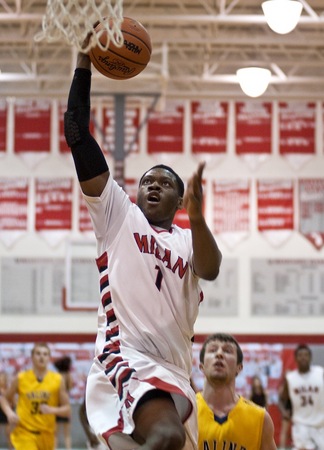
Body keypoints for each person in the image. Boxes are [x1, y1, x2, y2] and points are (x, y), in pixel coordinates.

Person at [63, 41, 222, 450]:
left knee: (168, 442)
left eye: (165, 182)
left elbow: (211, 269)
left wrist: (200, 219)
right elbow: (77, 131)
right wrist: (84, 61)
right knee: (166, 436)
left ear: (180, 199)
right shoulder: (119, 215)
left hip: (176, 369)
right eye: (147, 181)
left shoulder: (189, 239)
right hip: (126, 354)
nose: (153, 186)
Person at [197, 333, 277, 450]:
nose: (219, 354)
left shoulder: (260, 418)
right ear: (202, 366)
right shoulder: (185, 413)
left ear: (239, 367)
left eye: (227, 351)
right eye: (213, 350)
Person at [0, 342, 71, 450]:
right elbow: (4, 398)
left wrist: (52, 410)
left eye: (45, 354)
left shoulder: (57, 380)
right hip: (25, 433)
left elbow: (67, 409)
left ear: (49, 358)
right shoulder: (21, 378)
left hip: (47, 435)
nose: (42, 357)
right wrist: (9, 413)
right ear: (32, 357)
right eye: (38, 353)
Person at [279, 344, 324, 450]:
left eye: (306, 355)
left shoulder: (320, 372)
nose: (303, 357)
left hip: (320, 424)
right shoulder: (290, 378)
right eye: (300, 355)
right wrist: (283, 411)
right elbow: (282, 399)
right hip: (300, 424)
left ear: (310, 357)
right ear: (295, 358)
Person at [54, 355, 73, 450]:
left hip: (57, 404)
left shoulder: (57, 376)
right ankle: (68, 448)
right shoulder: (68, 375)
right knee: (67, 433)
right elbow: (70, 387)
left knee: (55, 433)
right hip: (66, 404)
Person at [0, 371, 13, 450]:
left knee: (9, 431)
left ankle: (11, 447)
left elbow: (12, 401)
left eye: (2, 378)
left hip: (7, 411)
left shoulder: (8, 389)